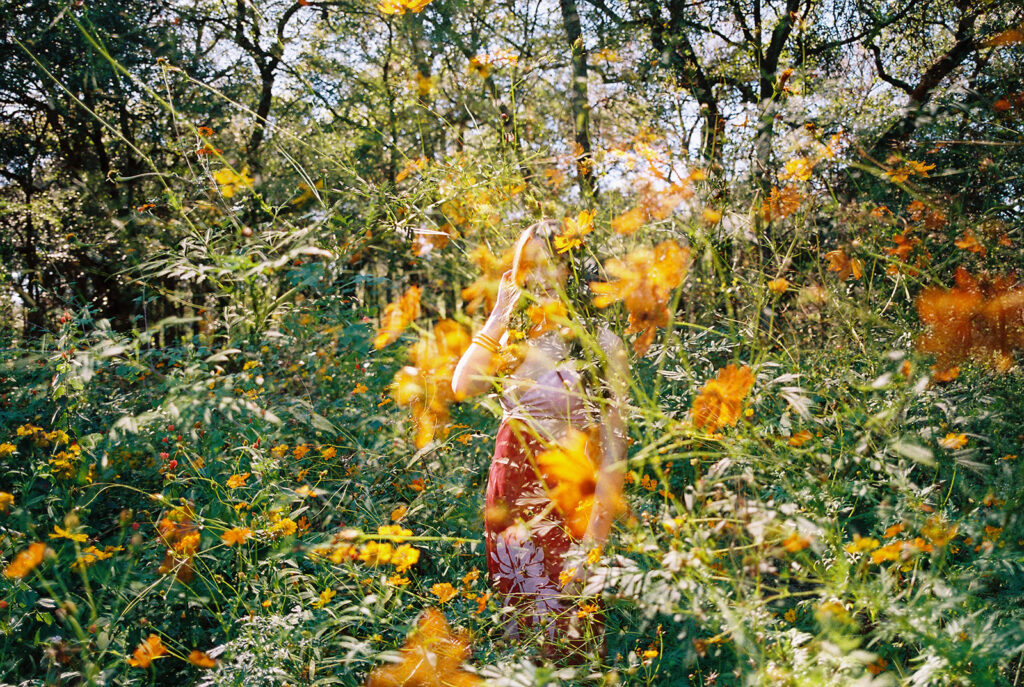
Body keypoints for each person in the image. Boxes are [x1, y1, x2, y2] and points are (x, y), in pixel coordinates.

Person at [451, 219, 628, 661]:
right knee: (518, 629)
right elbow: (462, 385)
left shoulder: (601, 341)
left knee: (571, 626)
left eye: (548, 264)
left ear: (571, 269)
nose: (537, 276)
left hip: (568, 492)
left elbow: (615, 446)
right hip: (509, 488)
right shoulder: (508, 338)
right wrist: (498, 314)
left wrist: (597, 533)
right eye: (527, 266)